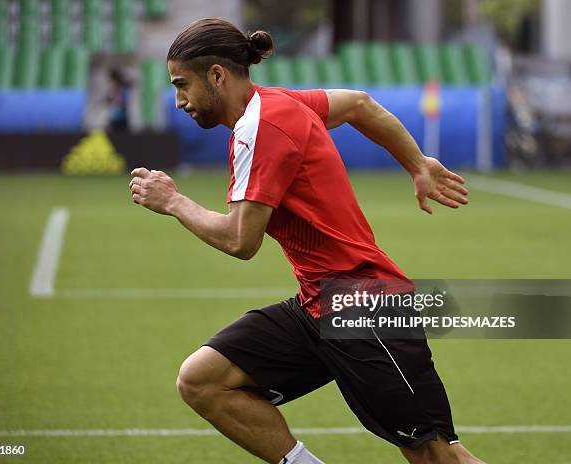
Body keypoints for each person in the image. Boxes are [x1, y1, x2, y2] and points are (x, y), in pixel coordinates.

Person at [129, 18, 484, 464]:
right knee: (203, 379)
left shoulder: (260, 129)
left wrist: (173, 202)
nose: (179, 101)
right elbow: (358, 104)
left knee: (437, 457)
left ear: (217, 74)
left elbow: (242, 241)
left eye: (183, 85)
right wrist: (416, 164)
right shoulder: (273, 105)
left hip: (363, 304)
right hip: (319, 303)